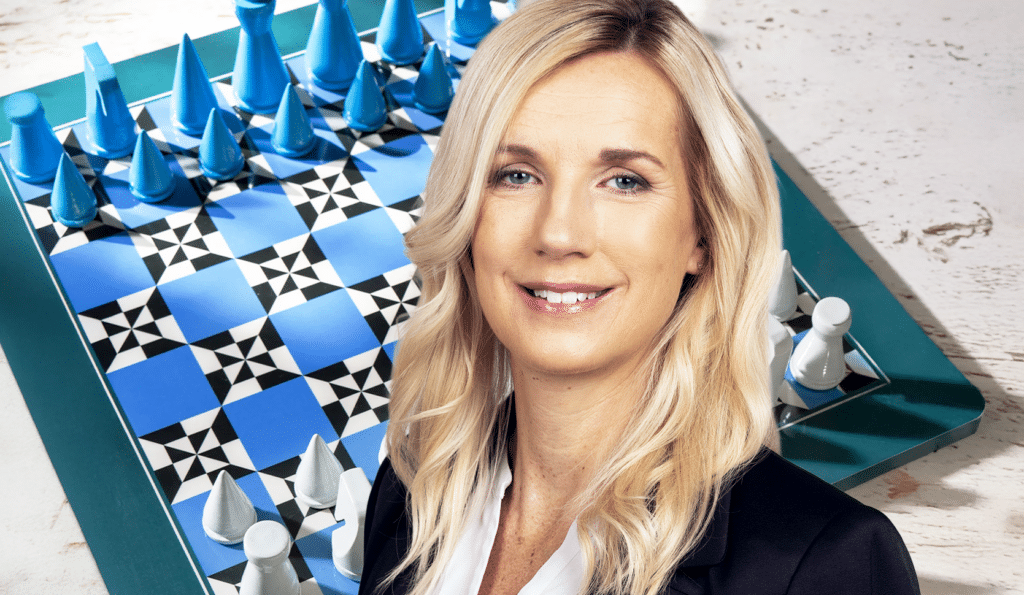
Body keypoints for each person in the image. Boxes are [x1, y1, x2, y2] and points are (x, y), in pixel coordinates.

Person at [358, 1, 921, 594]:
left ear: (703, 234)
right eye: (516, 174)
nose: (559, 234)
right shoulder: (412, 483)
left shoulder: (829, 563)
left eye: (624, 181)